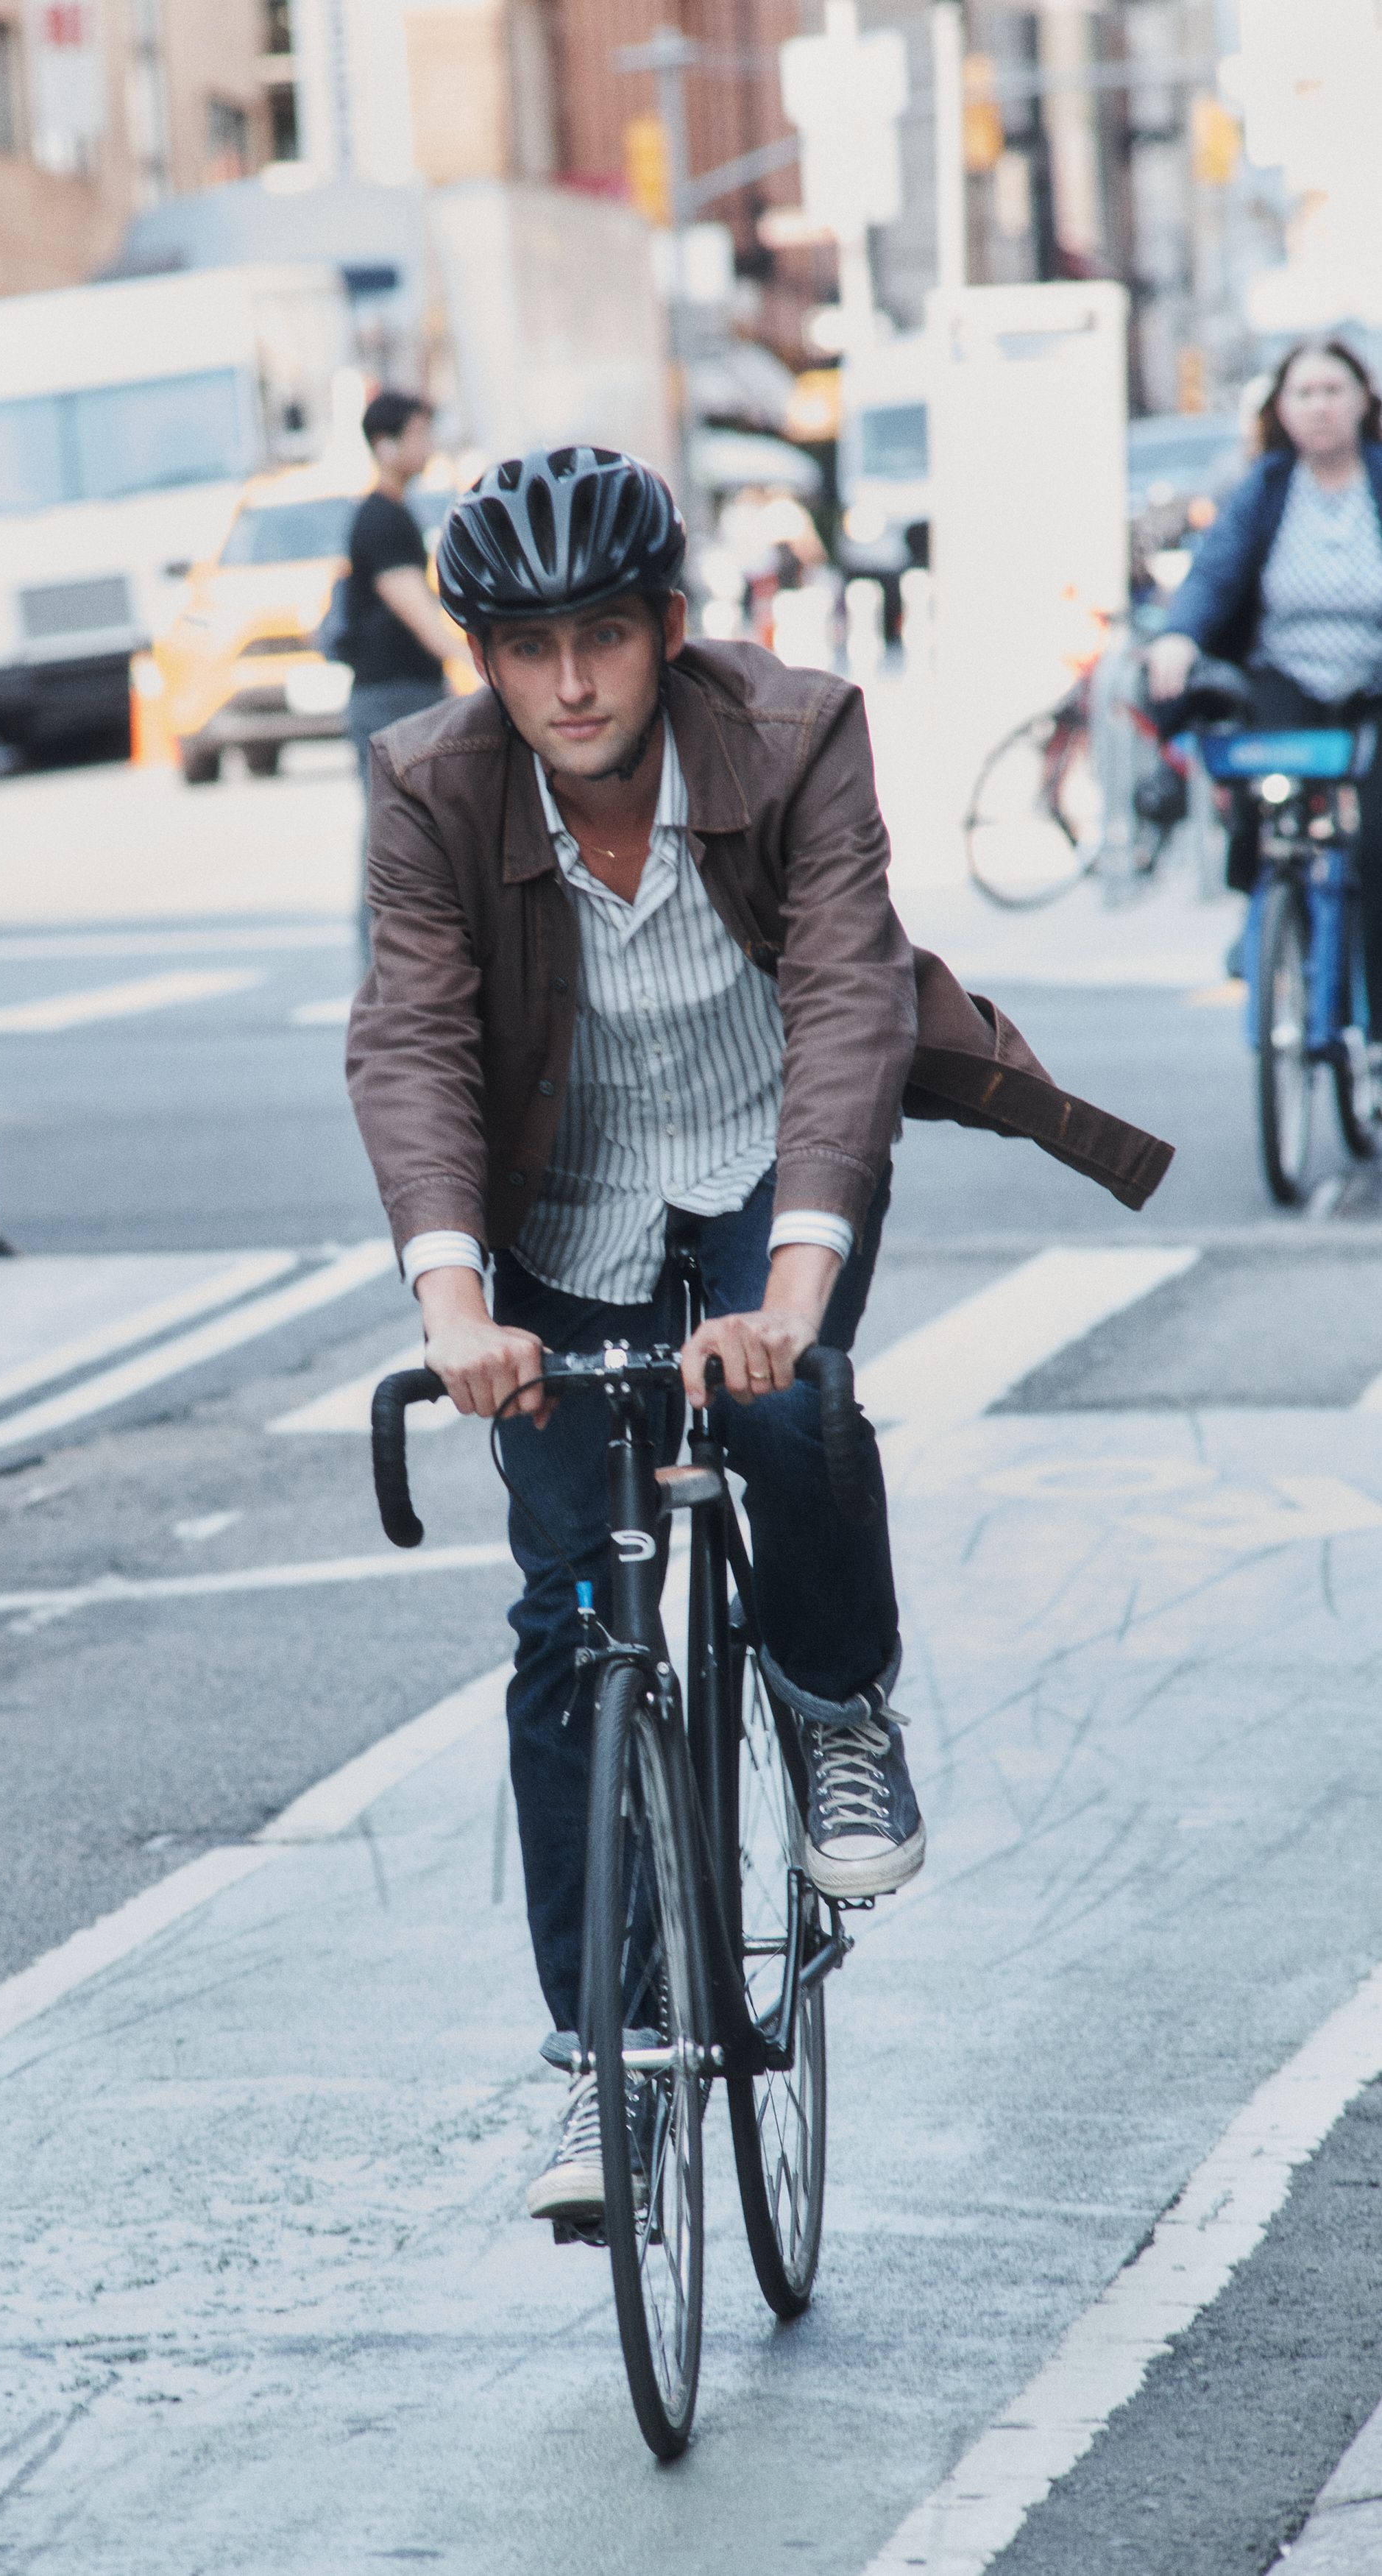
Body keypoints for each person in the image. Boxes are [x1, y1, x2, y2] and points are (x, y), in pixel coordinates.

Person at [346, 447, 1172, 2228]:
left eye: (602, 639)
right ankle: (605, 2068)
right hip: (559, 1214)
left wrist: (792, 1293)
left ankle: (835, 1701)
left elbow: (850, 996)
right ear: (482, 658)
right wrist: (455, 1307)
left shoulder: (795, 735)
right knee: (566, 1622)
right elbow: (410, 1038)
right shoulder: (425, 789)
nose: (568, 684)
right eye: (525, 646)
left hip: (757, 1164)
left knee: (785, 1413)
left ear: (663, 631)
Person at [1148, 339, 1382, 1019]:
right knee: (1256, 793)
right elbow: (1214, 573)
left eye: (1331, 391)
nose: (1318, 407)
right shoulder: (1266, 487)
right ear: (1280, 408)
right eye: (1303, 393)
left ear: (1362, 399)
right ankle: (1272, 911)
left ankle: (1373, 1031)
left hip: (1372, 680)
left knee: (1374, 842)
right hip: (1285, 674)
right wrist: (1178, 638)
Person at [344, 392, 458, 960]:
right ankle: (381, 968)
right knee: (391, 836)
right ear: (386, 444)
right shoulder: (381, 519)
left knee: (411, 830)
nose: (427, 444)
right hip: (389, 697)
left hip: (400, 692)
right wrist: (475, 662)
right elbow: (415, 608)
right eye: (418, 432)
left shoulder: (394, 512)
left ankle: (401, 958)